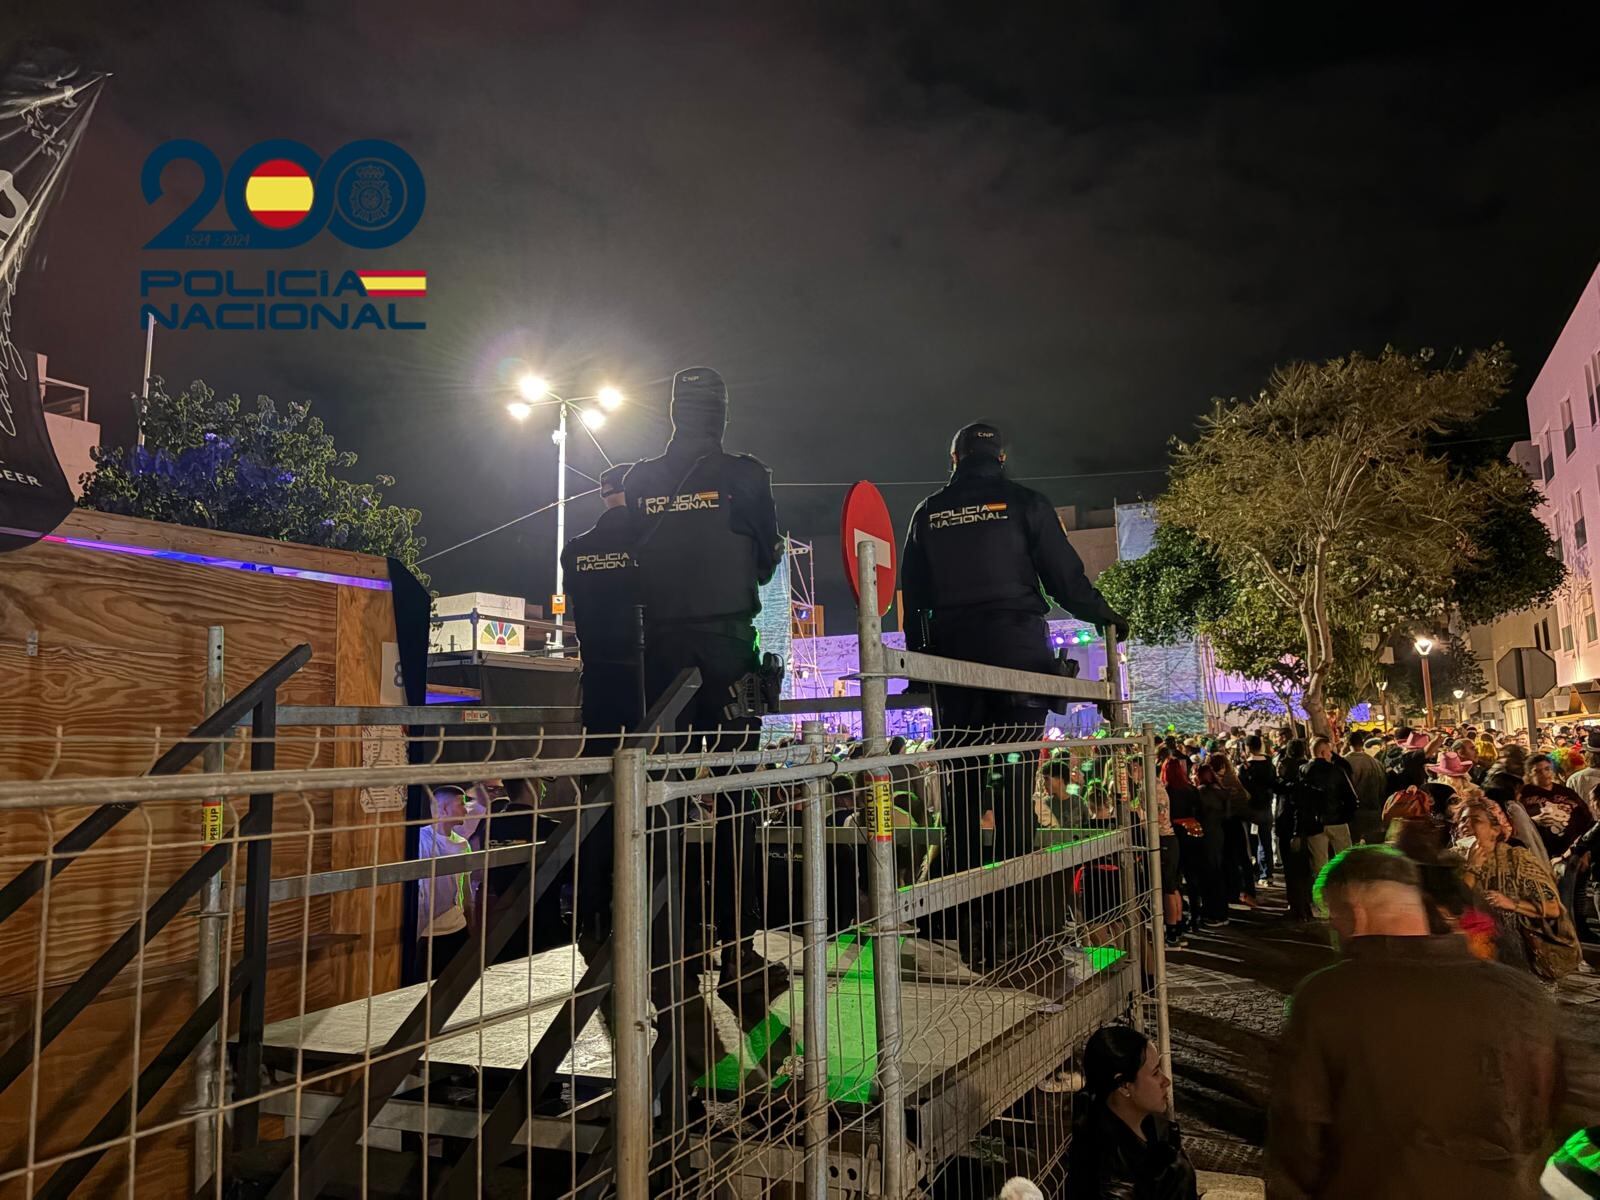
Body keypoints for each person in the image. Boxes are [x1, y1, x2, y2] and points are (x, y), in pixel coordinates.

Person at [900, 421, 1126, 965]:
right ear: (1000, 459)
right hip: (1017, 661)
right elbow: (1066, 580)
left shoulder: (929, 511)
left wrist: (921, 661)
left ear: (955, 459)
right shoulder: (1026, 503)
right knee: (1013, 792)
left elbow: (915, 594)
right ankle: (1012, 927)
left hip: (953, 665)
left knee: (961, 794)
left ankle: (959, 921)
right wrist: (1107, 618)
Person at [1268, 846, 1578, 1199]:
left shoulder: (1327, 997)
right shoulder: (1521, 992)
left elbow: (1299, 1138)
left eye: (1332, 917)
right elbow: (1546, 1113)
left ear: (1353, 912)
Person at [625, 366, 784, 992]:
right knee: (738, 797)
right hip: (727, 651)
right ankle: (737, 951)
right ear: (720, 414)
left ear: (672, 412)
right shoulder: (747, 476)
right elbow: (766, 564)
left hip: (660, 654)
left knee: (658, 797)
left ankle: (665, 946)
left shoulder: (640, 479)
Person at [1455, 796, 1581, 983]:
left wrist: (1512, 904)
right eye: (1462, 820)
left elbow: (1553, 908)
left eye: (1476, 820)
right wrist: (1472, 868)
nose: (1465, 825)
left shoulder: (1517, 860)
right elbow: (1453, 906)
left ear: (1495, 829)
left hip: (1516, 959)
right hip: (1469, 954)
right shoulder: (1451, 861)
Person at [1067, 1025, 1198, 1200]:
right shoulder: (1109, 1174)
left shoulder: (1154, 1129)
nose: (1166, 1081)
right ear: (1124, 1086)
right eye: (1155, 1073)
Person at [561, 461, 641, 737]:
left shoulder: (575, 549)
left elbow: (575, 596)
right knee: (647, 754)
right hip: (643, 672)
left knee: (599, 750)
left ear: (603, 495)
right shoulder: (650, 541)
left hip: (597, 671)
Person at [415, 785, 481, 981]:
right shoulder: (420, 840)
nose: (465, 810)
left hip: (457, 928)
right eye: (461, 804)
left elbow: (466, 890)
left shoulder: (462, 844)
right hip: (427, 932)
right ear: (444, 809)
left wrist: (471, 926)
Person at [1301, 736, 1356, 880]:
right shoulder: (1336, 771)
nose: (1331, 755)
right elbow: (1351, 797)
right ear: (1323, 752)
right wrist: (1346, 816)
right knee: (1344, 861)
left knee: (1319, 865)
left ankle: (1322, 892)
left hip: (1314, 824)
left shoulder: (1303, 771)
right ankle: (1345, 889)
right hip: (1337, 820)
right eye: (1329, 751)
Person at [1239, 734, 1277, 884]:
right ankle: (1268, 873)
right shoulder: (1269, 765)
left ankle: (1258, 873)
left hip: (1251, 809)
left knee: (1253, 842)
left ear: (1247, 747)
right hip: (1266, 806)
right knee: (1266, 841)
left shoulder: (1245, 767)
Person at [1344, 734, 1388, 845]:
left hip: (1353, 815)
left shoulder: (1344, 763)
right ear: (1362, 743)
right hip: (1374, 812)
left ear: (1348, 744)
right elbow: (1383, 787)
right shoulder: (1376, 763)